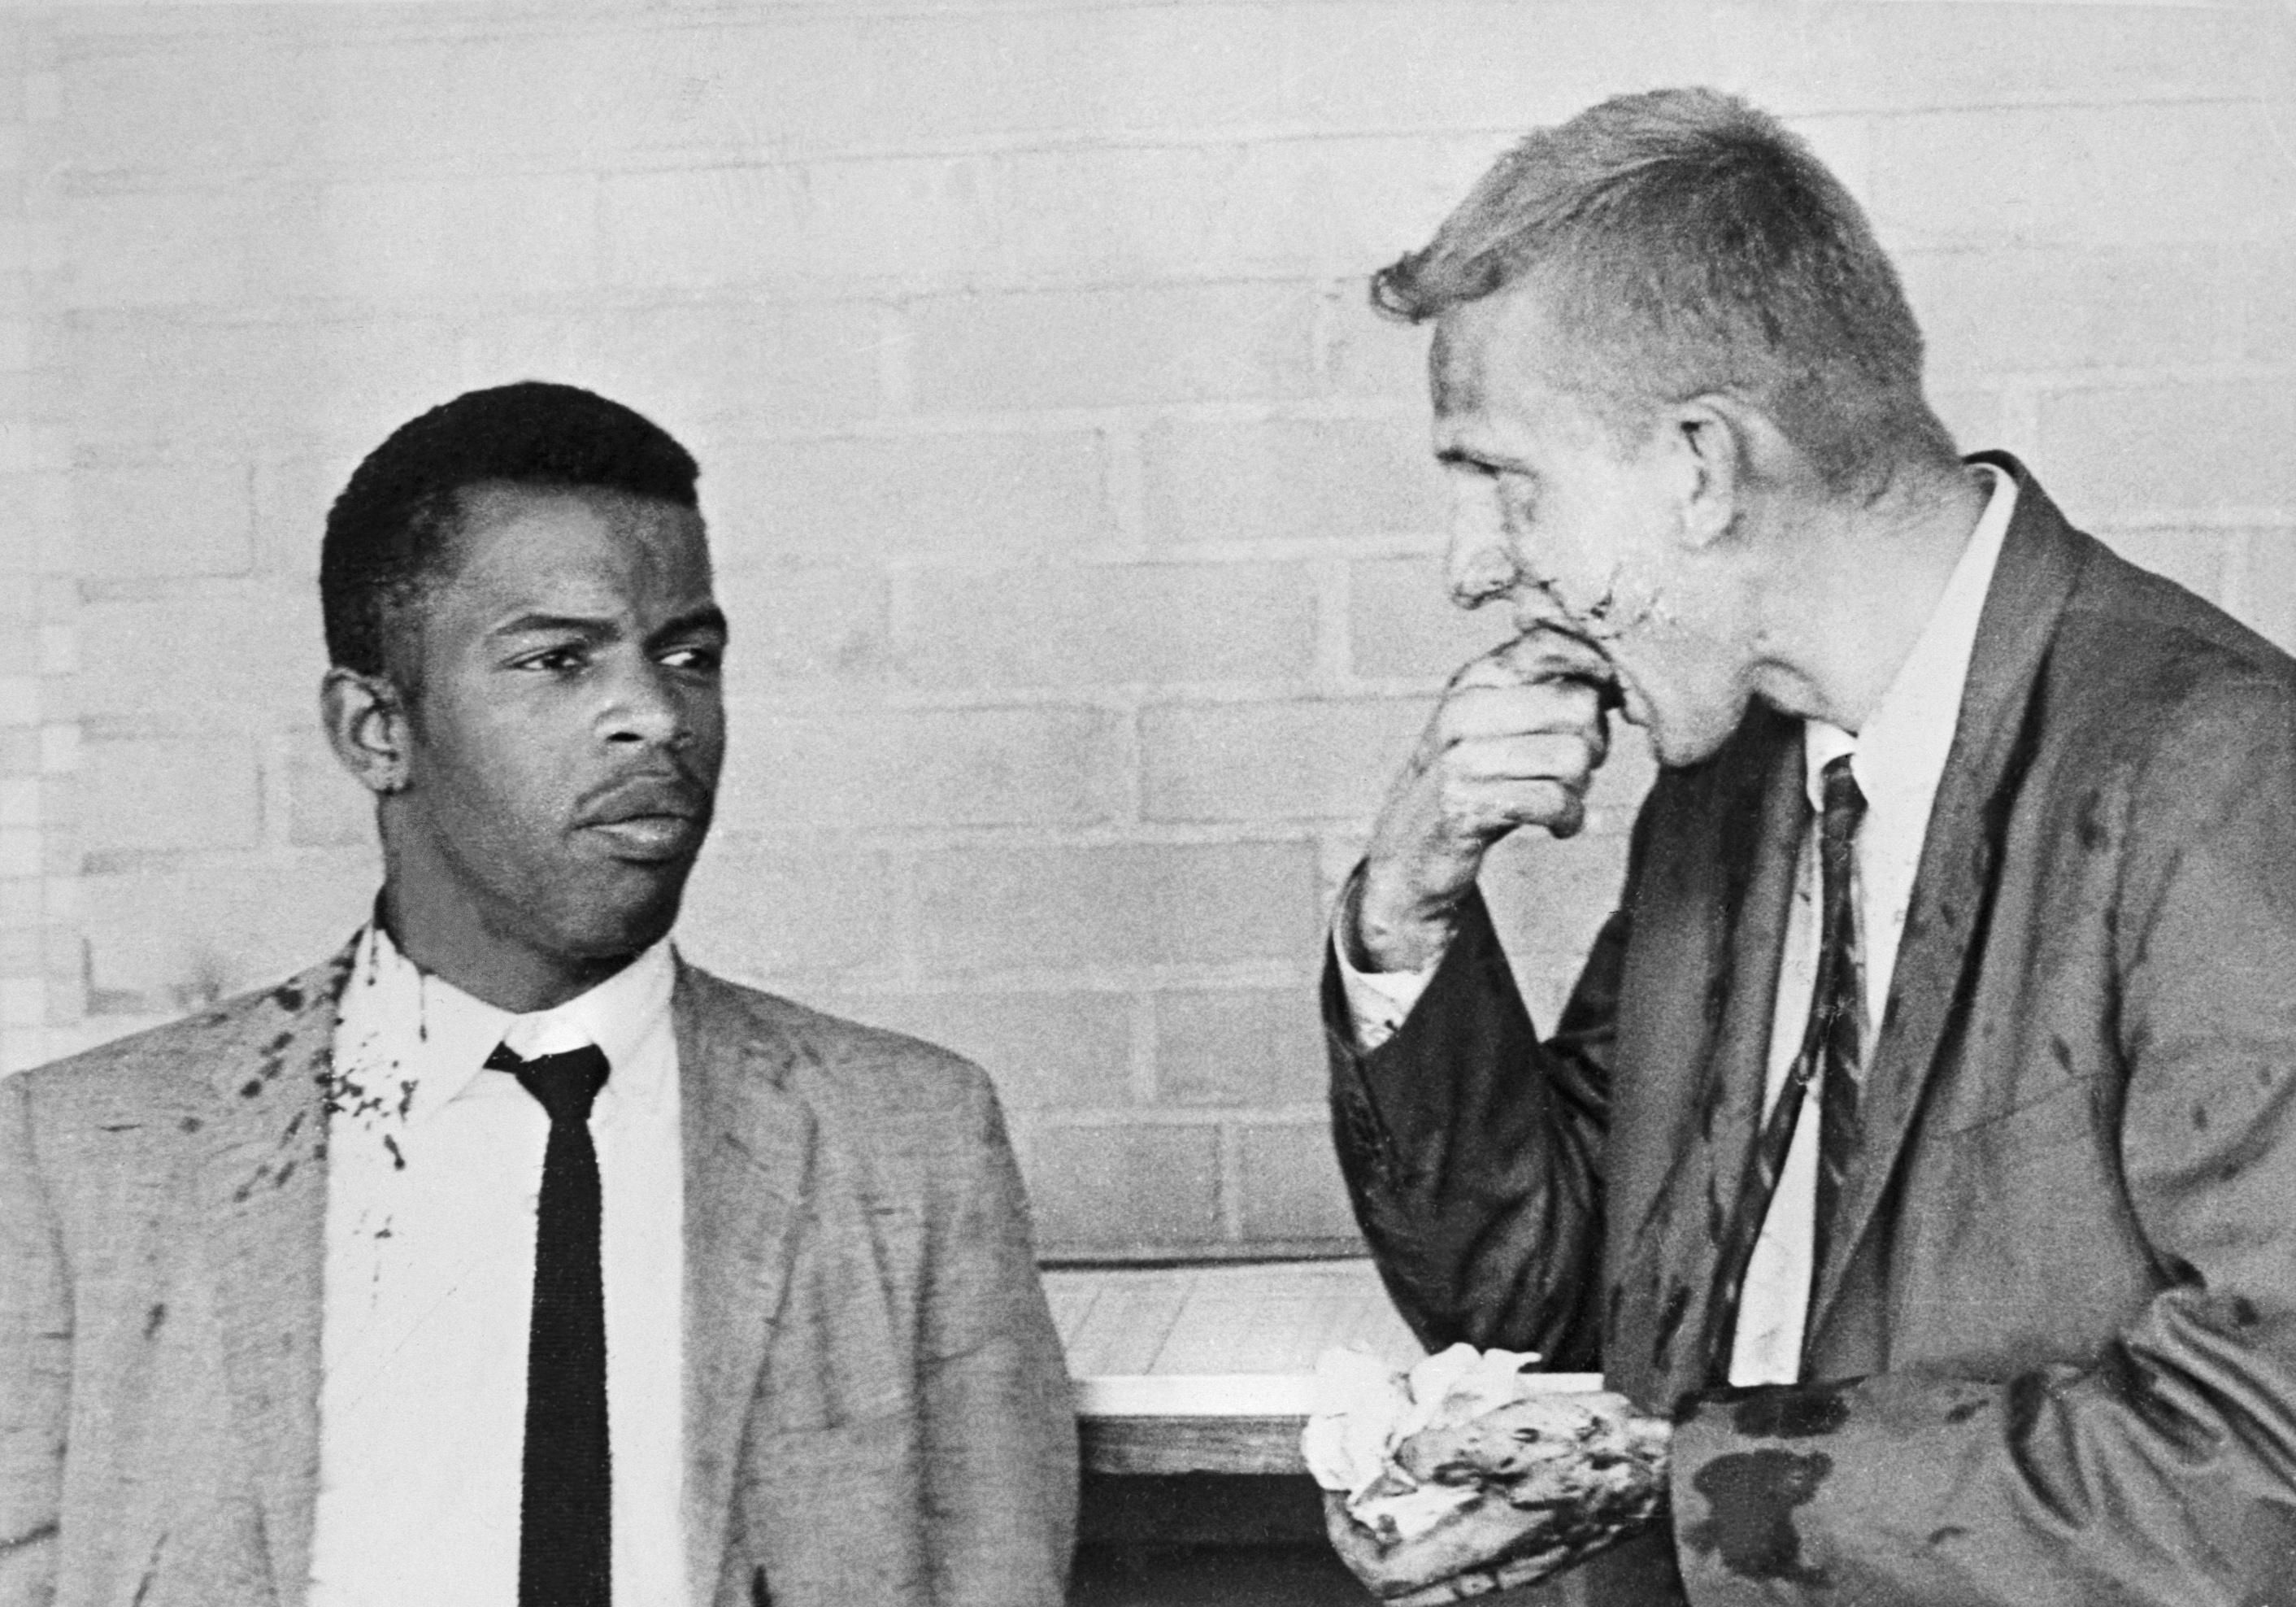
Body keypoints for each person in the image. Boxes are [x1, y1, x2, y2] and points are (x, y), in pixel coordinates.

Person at [1324, 87, 2296, 1603]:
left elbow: (2265, 1462)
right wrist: (1409, 915)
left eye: (1502, 482)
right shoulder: (1725, 792)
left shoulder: (2221, 773)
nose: (1475, 573)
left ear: (1704, 466)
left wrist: (1699, 1485)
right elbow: (1547, 1303)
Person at [0, 381, 1076, 1607]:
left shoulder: (908, 1142)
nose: (655, 716)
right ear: (374, 731)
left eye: (689, 657)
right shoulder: (77, 1162)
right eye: (559, 661)